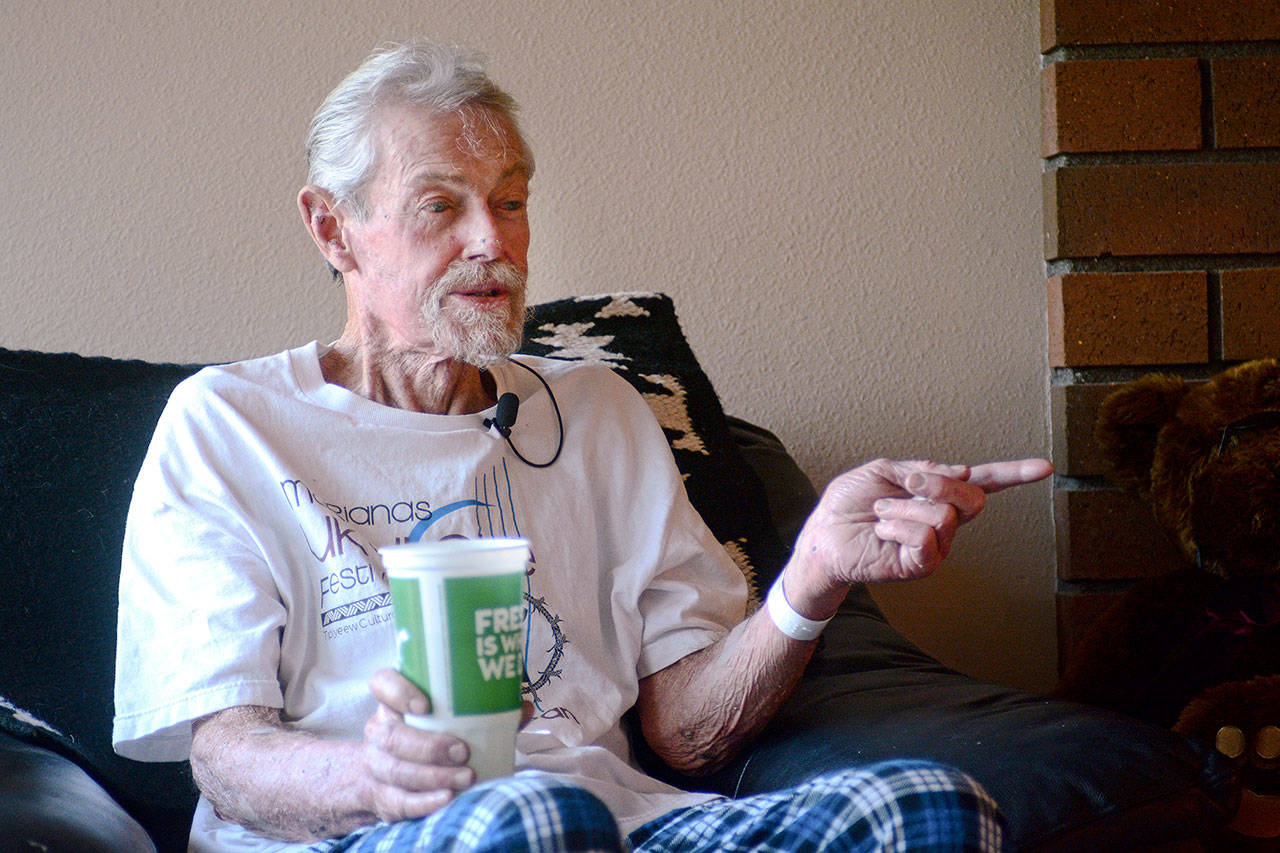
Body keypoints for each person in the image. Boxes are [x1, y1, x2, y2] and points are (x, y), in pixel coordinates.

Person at [113, 39, 1051, 853]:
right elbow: (226, 757)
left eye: (511, 201)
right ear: (333, 228)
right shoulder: (229, 423)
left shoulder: (600, 411)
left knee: (929, 807)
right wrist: (374, 774)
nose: (496, 241)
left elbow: (687, 736)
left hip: (615, 822)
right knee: (535, 820)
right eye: (442, 205)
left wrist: (810, 579)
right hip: (366, 829)